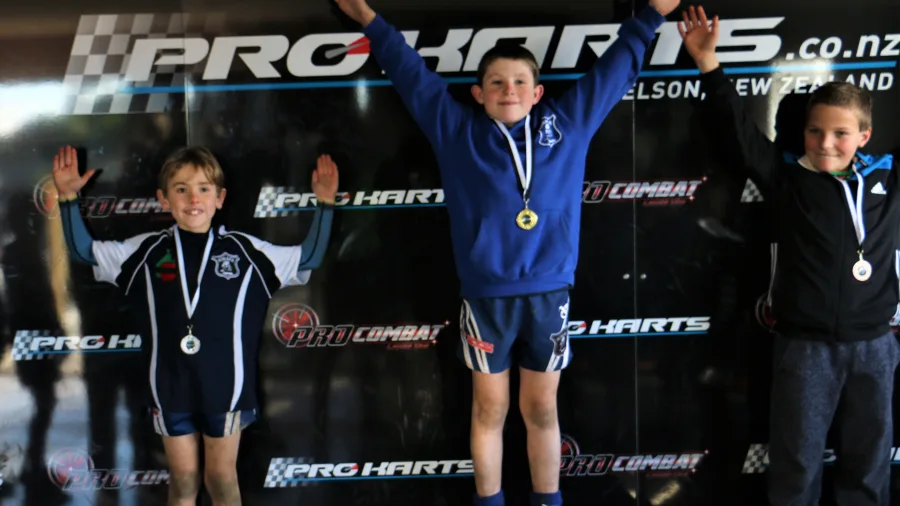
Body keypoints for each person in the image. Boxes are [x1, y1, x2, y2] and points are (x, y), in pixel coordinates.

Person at [332, 1, 680, 505]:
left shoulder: (567, 125)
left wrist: (649, 15)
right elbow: (411, 75)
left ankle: (548, 500)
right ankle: (489, 501)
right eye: (496, 82)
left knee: (541, 412)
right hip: (486, 298)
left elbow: (611, 72)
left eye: (519, 82)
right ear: (478, 94)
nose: (508, 90)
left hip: (549, 296)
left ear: (538, 93)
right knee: (488, 412)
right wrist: (369, 20)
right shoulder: (458, 132)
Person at [679, 6, 899, 506]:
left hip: (875, 346)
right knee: (796, 463)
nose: (826, 143)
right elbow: (738, 133)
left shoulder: (887, 181)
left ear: (863, 136)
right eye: (816, 131)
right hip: (805, 348)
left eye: (841, 134)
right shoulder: (787, 180)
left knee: (868, 463)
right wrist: (709, 65)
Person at [51, 145, 337, 506]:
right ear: (164, 199)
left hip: (226, 387)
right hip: (170, 386)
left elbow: (308, 255)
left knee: (221, 479)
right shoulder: (144, 251)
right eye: (181, 188)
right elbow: (82, 251)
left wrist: (325, 203)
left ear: (220, 199)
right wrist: (67, 197)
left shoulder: (248, 252)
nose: (193, 198)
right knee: (183, 481)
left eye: (203, 188)